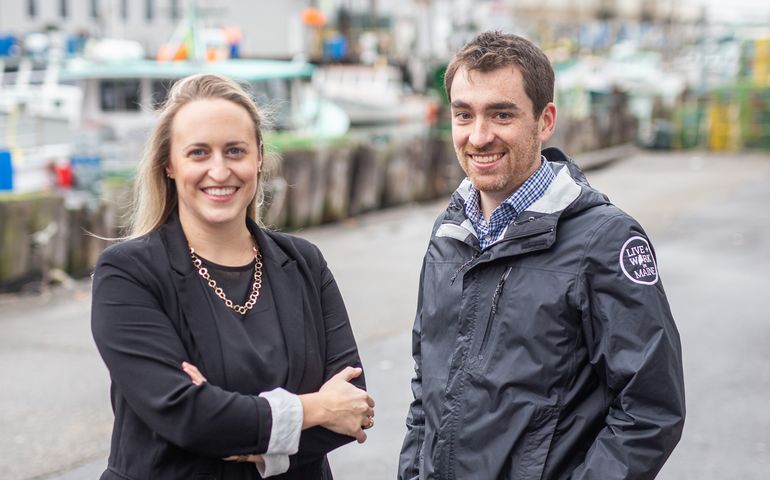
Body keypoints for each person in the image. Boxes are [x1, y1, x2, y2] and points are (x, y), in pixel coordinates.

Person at [398, 31, 685, 479]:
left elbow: (651, 408)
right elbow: (428, 391)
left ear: (545, 119)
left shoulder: (604, 239)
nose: (479, 136)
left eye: (501, 114)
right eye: (464, 115)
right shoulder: (449, 234)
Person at [91, 73, 374, 480]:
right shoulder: (127, 274)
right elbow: (185, 415)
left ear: (259, 157)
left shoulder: (305, 263)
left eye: (235, 151)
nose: (219, 170)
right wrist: (314, 408)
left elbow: (352, 408)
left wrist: (240, 432)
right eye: (199, 153)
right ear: (169, 164)